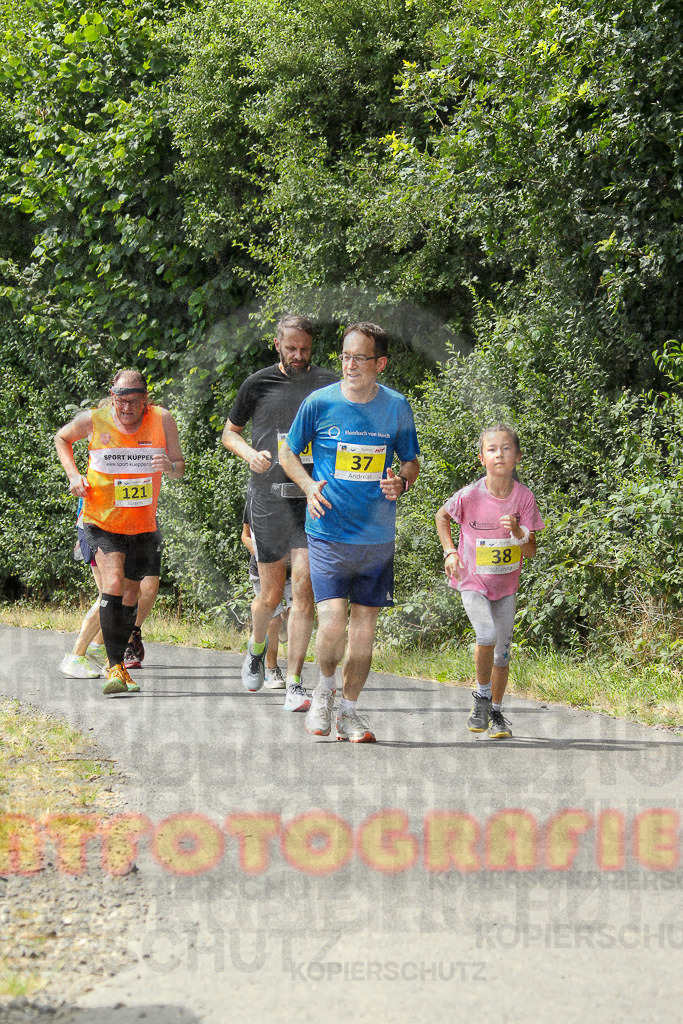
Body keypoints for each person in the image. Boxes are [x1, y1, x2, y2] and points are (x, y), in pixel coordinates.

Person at [280, 322, 420, 742]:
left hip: (376, 537)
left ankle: (350, 711)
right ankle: (324, 692)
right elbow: (288, 451)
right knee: (333, 622)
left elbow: (410, 461)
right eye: (344, 356)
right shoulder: (319, 403)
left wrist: (403, 481)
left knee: (363, 636)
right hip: (327, 529)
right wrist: (307, 486)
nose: (350, 365)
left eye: (360, 358)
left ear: (380, 363)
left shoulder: (396, 407)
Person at [222, 315, 337, 710]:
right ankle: (256, 649)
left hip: (312, 497)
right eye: (292, 348)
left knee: (304, 591)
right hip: (269, 496)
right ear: (277, 345)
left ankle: (293, 682)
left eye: (305, 348)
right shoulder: (257, 383)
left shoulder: (328, 384)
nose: (299, 355)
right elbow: (229, 433)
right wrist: (250, 453)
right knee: (270, 595)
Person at [55, 369, 185, 695]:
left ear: (146, 399)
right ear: (112, 395)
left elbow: (179, 466)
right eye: (121, 400)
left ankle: (119, 665)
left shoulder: (162, 419)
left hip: (142, 524)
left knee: (132, 594)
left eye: (135, 401)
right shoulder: (94, 420)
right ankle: (115, 668)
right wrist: (73, 476)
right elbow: (62, 438)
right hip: (101, 520)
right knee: (112, 584)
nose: (127, 408)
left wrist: (170, 468)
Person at [434, 425, 544, 739]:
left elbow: (532, 551)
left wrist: (519, 532)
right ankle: (481, 697)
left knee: (503, 652)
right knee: (486, 633)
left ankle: (495, 713)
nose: (499, 454)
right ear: (482, 458)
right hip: (472, 580)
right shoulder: (469, 495)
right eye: (492, 449)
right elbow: (442, 516)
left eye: (506, 449)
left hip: (505, 586)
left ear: (518, 457)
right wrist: (449, 551)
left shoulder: (524, 498)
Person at [241, 512, 291, 689]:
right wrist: (265, 557)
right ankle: (271, 669)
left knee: (297, 614)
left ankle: (294, 678)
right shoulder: (257, 492)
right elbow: (245, 536)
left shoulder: (298, 493)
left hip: (293, 570)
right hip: (264, 569)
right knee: (274, 621)